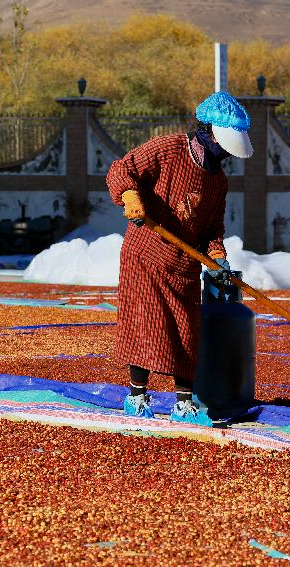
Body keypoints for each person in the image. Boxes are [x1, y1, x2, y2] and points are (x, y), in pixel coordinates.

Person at [105, 91, 253, 425]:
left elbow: (212, 226)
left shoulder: (219, 180)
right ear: (209, 132)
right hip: (145, 254)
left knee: (187, 334)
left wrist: (217, 256)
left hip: (183, 264)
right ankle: (137, 397)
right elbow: (121, 169)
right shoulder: (168, 148)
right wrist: (130, 196)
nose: (225, 155)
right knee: (145, 326)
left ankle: (183, 405)